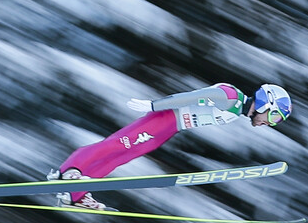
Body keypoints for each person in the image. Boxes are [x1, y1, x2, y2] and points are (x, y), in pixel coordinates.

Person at [49, 83, 293, 210]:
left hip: (170, 128)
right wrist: (154, 105)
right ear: (264, 103)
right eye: (272, 117)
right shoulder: (229, 97)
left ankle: (76, 192)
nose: (268, 124)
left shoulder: (236, 110)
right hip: (164, 119)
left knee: (124, 155)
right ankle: (71, 172)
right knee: (117, 145)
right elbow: (190, 97)